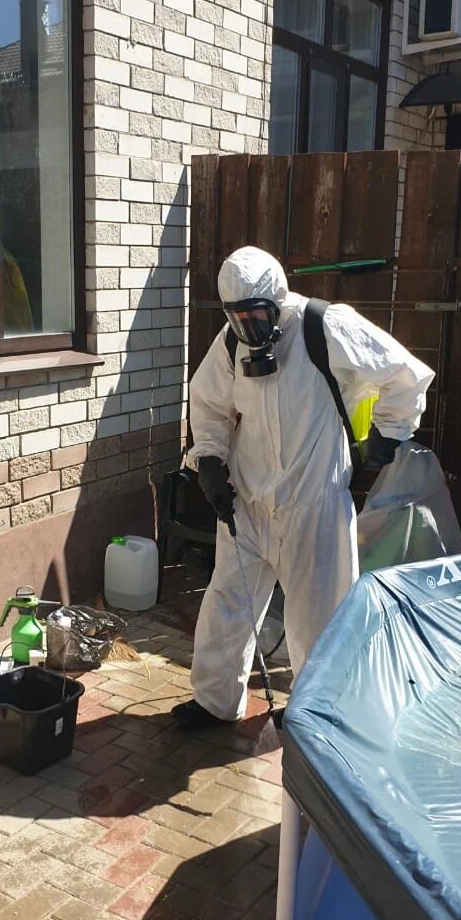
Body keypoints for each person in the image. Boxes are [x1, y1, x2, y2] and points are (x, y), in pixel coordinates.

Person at [173, 246, 434, 730]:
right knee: (227, 606)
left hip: (314, 504)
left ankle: (317, 717)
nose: (249, 329)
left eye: (257, 317)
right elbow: (208, 403)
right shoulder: (230, 344)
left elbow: (405, 374)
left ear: (276, 301)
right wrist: (209, 461)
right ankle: (214, 702)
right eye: (238, 318)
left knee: (320, 620)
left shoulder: (323, 326)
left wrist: (390, 430)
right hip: (248, 501)